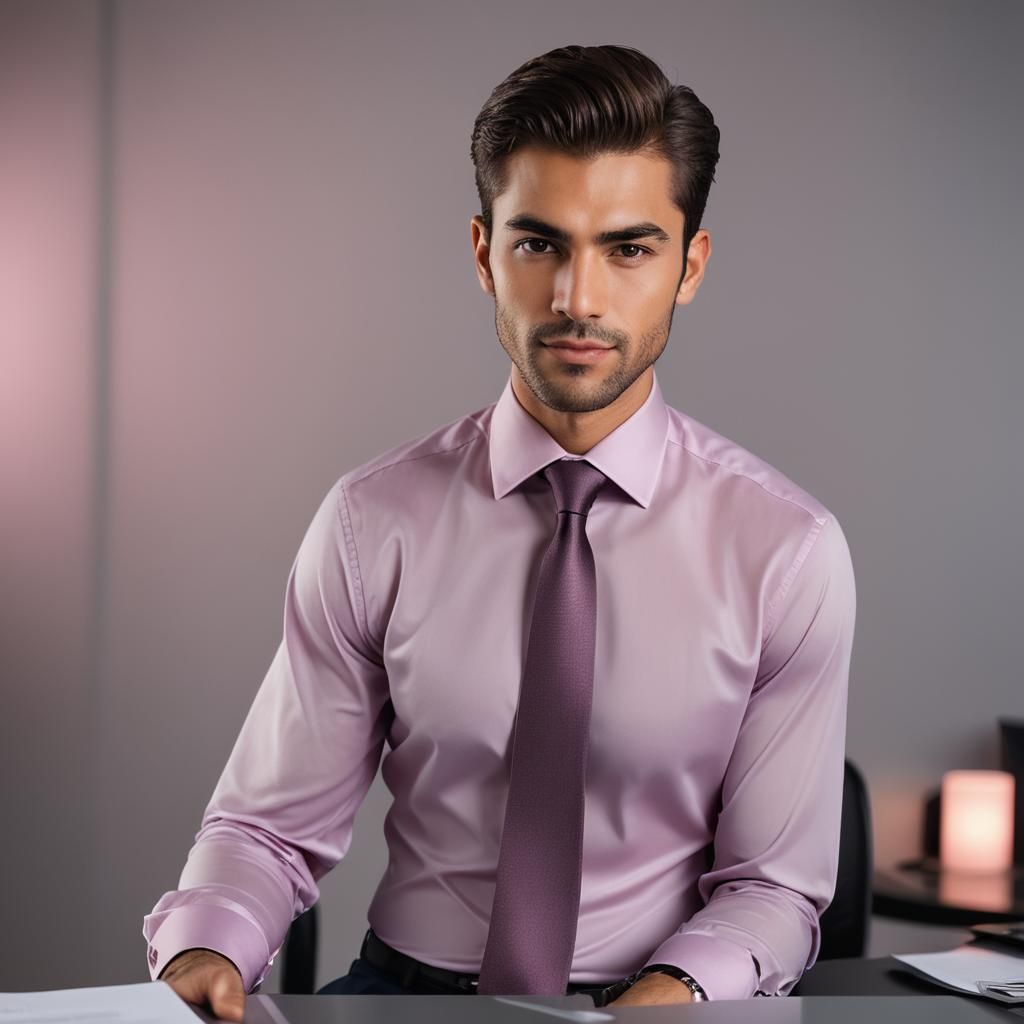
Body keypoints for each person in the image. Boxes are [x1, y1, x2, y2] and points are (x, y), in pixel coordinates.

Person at [144, 43, 856, 1022]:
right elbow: (267, 832)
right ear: (483, 252)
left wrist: (675, 990)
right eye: (539, 244)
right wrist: (203, 950)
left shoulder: (786, 551)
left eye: (628, 248)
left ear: (688, 265)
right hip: (399, 999)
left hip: (656, 1005)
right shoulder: (371, 521)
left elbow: (775, 888)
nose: (577, 298)